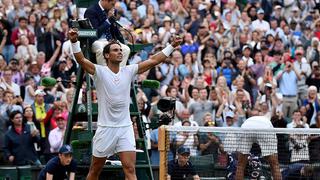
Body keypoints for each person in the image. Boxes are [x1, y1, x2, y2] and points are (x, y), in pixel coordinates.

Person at [68, 28, 182, 180]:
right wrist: (74, 41)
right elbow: (81, 60)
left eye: (121, 50)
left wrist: (171, 46)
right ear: (107, 55)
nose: (120, 52)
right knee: (95, 170)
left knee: (130, 169)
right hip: (105, 129)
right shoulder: (99, 71)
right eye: (115, 50)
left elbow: (154, 60)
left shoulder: (129, 71)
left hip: (125, 128)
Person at [84, 0, 130, 67]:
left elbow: (115, 30)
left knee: (126, 49)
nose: (113, 6)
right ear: (105, 1)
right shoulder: (91, 11)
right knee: (101, 49)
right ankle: (105, 75)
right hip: (96, 41)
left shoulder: (113, 11)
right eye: (112, 4)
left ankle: (118, 74)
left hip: (110, 40)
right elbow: (95, 33)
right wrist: (108, 21)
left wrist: (122, 42)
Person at [235, 115, 281, 180]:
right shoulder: (268, 122)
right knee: (274, 164)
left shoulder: (249, 120)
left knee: (240, 165)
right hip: (264, 128)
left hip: (246, 127)